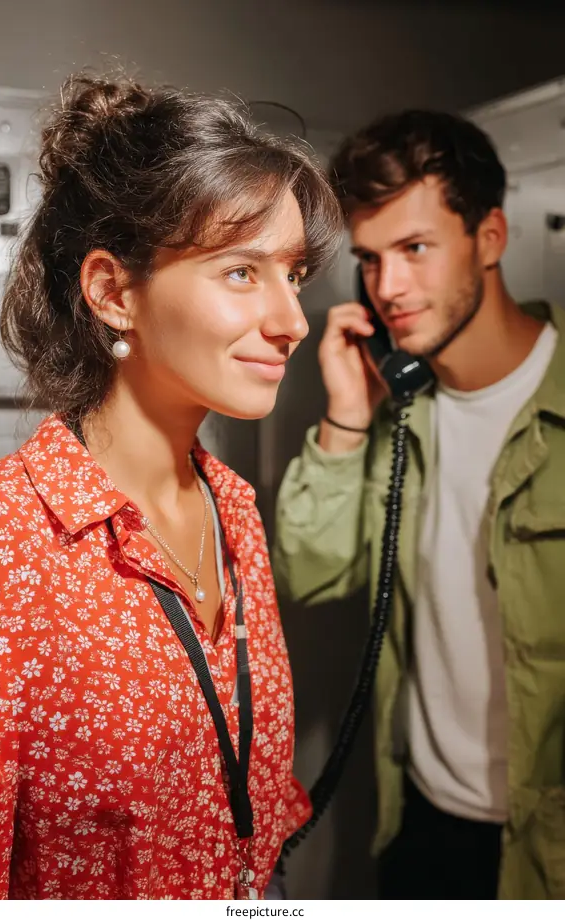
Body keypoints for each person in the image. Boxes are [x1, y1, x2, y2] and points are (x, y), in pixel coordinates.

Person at [0, 72, 343, 900]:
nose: (292, 320)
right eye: (243, 273)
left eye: (295, 273)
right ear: (112, 293)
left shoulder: (235, 505)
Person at [273, 109, 565, 899]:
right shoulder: (403, 412)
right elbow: (307, 573)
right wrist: (345, 416)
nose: (388, 286)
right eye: (371, 259)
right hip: (423, 823)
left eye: (415, 250)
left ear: (492, 238)